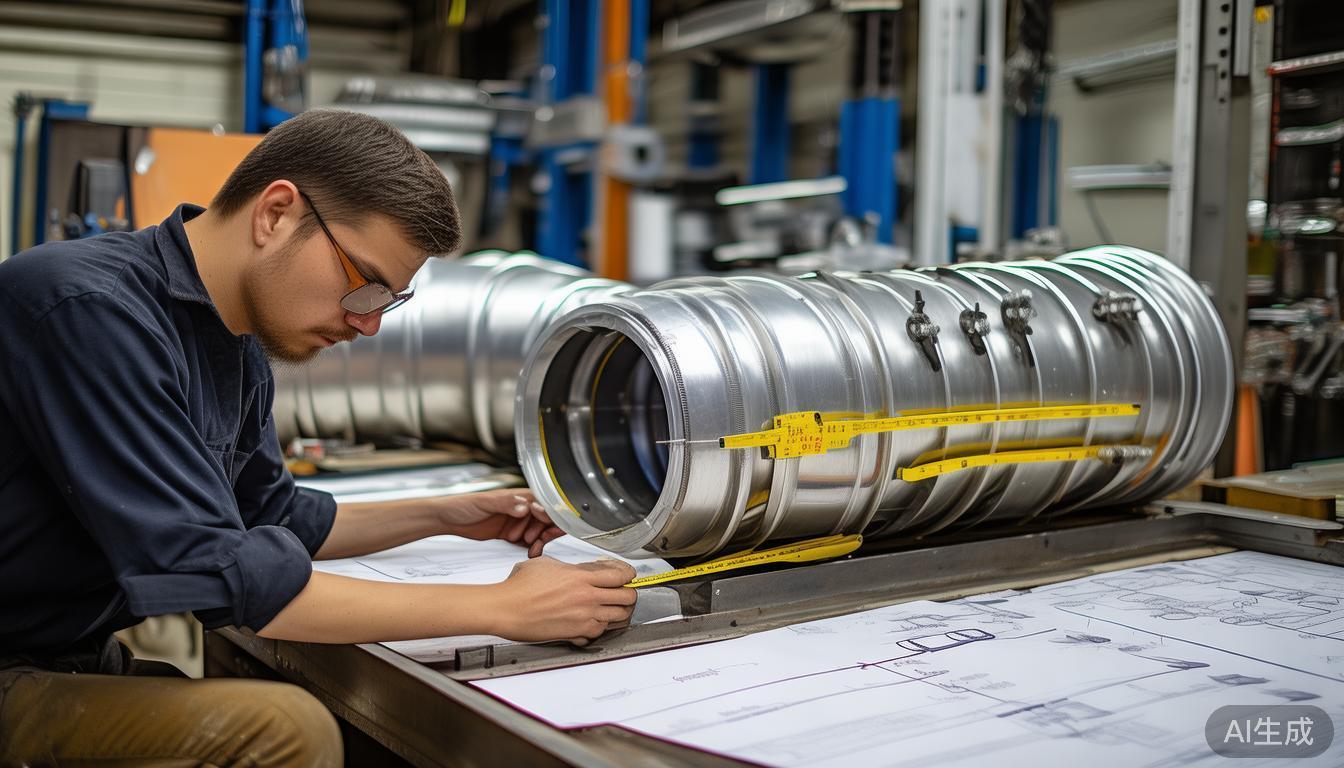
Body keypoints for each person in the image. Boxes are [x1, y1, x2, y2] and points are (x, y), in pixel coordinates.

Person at [0, 109, 637, 766]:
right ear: (276, 213)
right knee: (284, 728)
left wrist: (446, 515)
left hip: (69, 657)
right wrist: (503, 608)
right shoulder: (86, 309)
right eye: (364, 286)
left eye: (388, 302)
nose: (369, 325)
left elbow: (273, 514)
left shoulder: (234, 347)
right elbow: (217, 575)